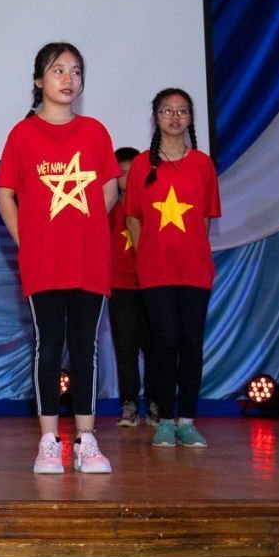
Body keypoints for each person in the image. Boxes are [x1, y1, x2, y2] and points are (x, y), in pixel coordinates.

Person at [0, 42, 120, 475]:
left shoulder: (95, 132)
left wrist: (85, 229)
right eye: (58, 70)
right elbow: (4, 194)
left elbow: (108, 189)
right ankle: (49, 441)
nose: (69, 79)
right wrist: (27, 240)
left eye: (76, 71)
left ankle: (87, 440)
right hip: (43, 260)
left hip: (89, 257)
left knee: (85, 347)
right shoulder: (23, 134)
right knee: (49, 346)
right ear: (38, 80)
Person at [124, 90, 219, 449]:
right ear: (156, 117)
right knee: (163, 343)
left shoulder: (203, 165)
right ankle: (164, 421)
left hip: (195, 271)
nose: (175, 117)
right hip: (155, 272)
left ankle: (187, 421)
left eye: (182, 111)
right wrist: (147, 255)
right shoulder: (141, 167)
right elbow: (133, 218)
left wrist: (189, 251)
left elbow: (205, 220)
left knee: (191, 343)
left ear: (191, 118)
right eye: (167, 111)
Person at [107, 146, 149, 427]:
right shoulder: (108, 207)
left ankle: (157, 405)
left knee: (156, 348)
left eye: (133, 172)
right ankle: (129, 405)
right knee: (125, 350)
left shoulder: (153, 205)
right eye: (121, 173)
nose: (127, 178)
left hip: (151, 285)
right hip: (120, 287)